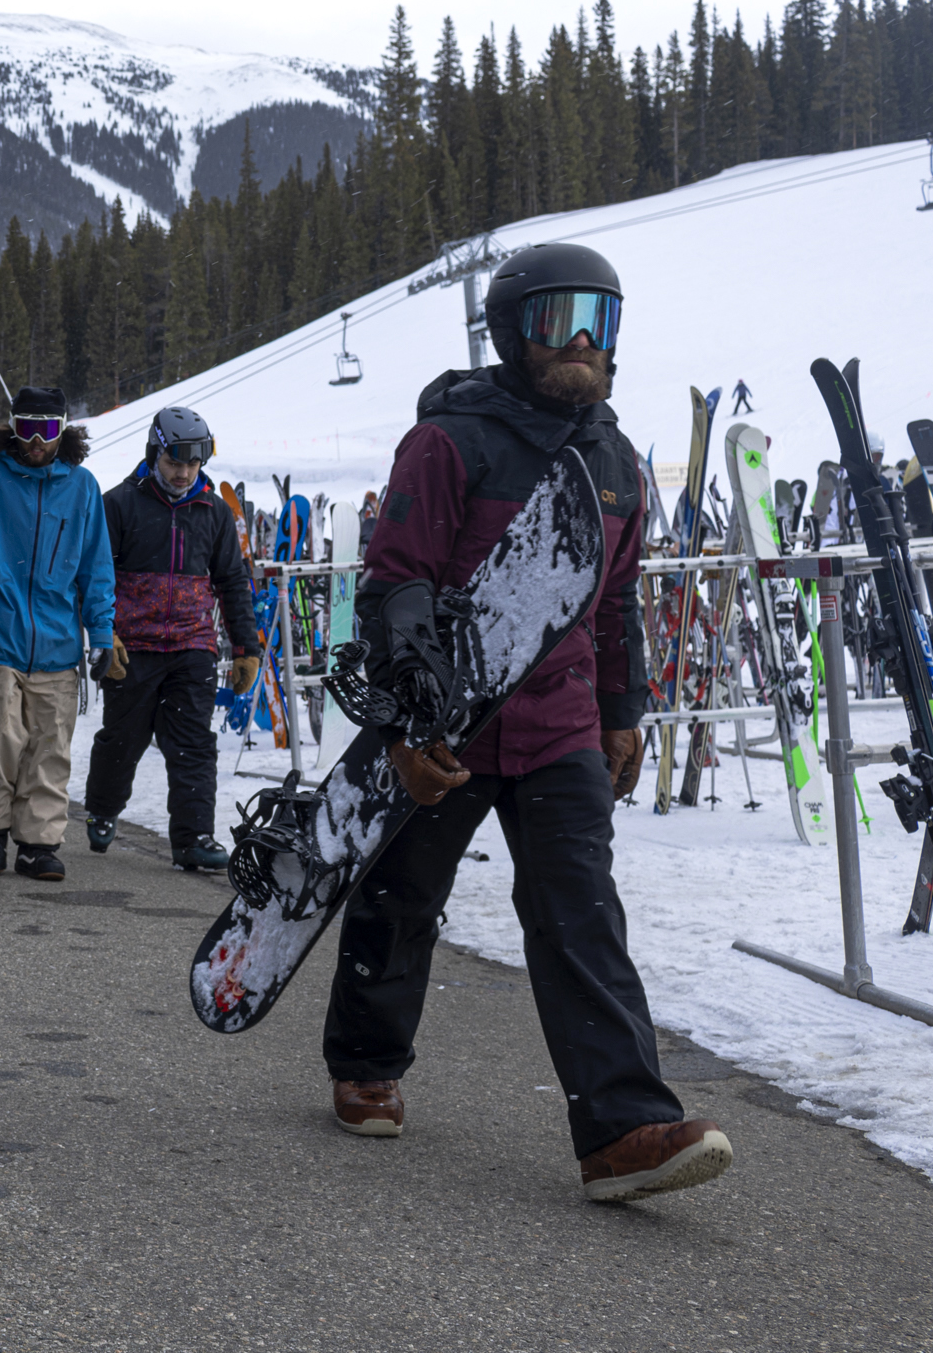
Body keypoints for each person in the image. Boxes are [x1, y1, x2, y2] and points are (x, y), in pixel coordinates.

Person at [324, 240, 732, 1204]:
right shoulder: (452, 442)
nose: (581, 341)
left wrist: (623, 714)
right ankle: (366, 1059)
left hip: (559, 727)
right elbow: (396, 587)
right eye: (559, 319)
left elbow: (617, 602)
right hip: (450, 720)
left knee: (579, 911)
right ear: (512, 332)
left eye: (602, 319)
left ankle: (622, 1128)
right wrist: (403, 727)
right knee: (403, 894)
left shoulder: (617, 461)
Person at [0, 385, 115, 883]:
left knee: (49, 744)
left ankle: (38, 843)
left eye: (48, 429)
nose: (37, 441)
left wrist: (101, 632)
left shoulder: (82, 488)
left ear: (63, 429)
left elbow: (96, 568)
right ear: (13, 427)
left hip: (58, 641)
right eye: (27, 428)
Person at [81, 405, 258, 868]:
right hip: (132, 648)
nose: (183, 473)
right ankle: (102, 808)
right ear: (154, 454)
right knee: (123, 740)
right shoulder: (118, 503)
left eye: (193, 464)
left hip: (192, 646)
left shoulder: (214, 512)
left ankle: (193, 837)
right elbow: (94, 574)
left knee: (193, 744)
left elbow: (233, 582)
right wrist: (105, 634)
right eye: (174, 463)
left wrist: (246, 649)